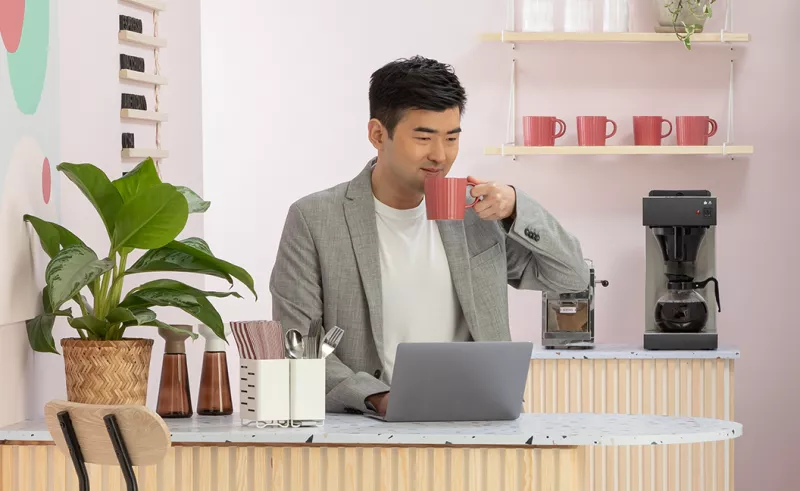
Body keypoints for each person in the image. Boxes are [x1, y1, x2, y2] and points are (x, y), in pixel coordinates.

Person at [269, 55, 589, 417]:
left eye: (452, 138)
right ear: (378, 134)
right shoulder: (315, 219)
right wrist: (377, 397)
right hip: (366, 427)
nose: (440, 155)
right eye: (424, 137)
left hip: (479, 418)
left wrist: (518, 207)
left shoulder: (476, 213)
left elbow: (571, 277)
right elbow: (297, 344)